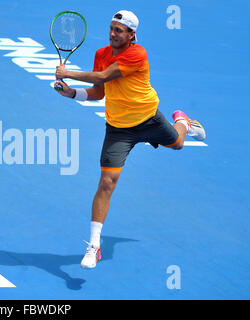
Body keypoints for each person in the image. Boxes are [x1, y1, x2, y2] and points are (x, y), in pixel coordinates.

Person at [54, 10, 206, 269]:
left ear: (131, 34)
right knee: (106, 183)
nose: (113, 34)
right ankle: (94, 246)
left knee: (179, 144)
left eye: (119, 30)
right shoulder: (101, 54)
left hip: (149, 119)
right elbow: (99, 92)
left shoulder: (137, 54)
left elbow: (103, 76)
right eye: (111, 28)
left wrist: (68, 73)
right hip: (119, 129)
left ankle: (183, 121)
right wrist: (71, 93)